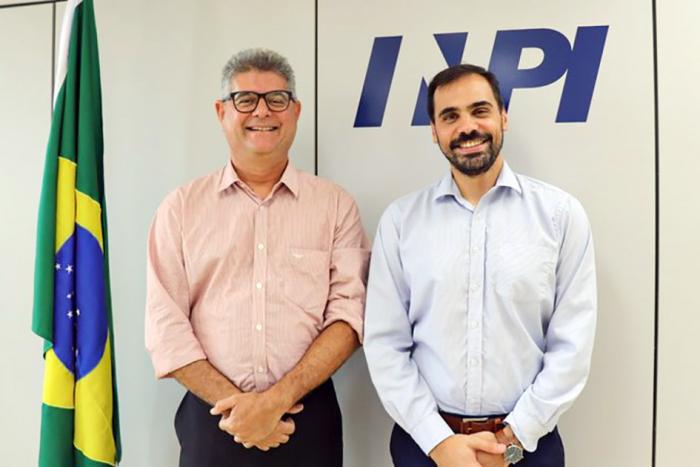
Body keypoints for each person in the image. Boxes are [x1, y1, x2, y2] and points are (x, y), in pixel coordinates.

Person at [145, 48, 370, 467]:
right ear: (221, 111)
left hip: (307, 417)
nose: (262, 112)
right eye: (245, 99)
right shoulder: (181, 208)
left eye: (277, 99)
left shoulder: (335, 206)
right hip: (212, 420)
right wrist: (240, 410)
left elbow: (349, 315)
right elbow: (166, 327)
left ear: (296, 110)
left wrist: (275, 401)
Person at [364, 63, 597, 467]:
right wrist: (439, 443)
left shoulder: (560, 215)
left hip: (529, 447)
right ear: (434, 131)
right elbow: (386, 344)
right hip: (425, 447)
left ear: (503, 116)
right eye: (449, 116)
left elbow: (571, 346)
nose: (467, 127)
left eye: (480, 110)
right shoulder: (401, 222)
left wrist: (512, 440)